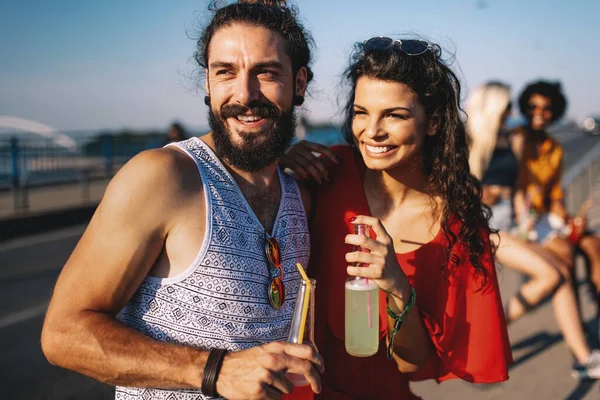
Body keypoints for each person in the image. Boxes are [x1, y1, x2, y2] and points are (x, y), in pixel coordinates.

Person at [40, 1, 324, 399]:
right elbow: (62, 334)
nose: (244, 94)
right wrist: (216, 370)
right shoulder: (163, 176)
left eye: (266, 72)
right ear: (207, 84)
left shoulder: (299, 194)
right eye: (225, 72)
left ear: (300, 83)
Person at [281, 37, 511, 399]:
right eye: (361, 112)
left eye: (394, 115)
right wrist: (277, 163)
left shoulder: (456, 226)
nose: (372, 131)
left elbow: (411, 363)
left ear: (433, 122)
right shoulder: (325, 174)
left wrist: (397, 286)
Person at [467, 81, 600, 379]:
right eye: (506, 108)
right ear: (490, 108)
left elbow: (521, 187)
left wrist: (525, 211)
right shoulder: (468, 141)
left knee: (562, 272)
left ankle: (582, 358)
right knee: (553, 273)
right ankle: (483, 333)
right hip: (482, 229)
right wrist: (481, 192)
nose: (512, 112)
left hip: (512, 226)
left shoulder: (509, 139)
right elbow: (451, 189)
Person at [512, 81, 600, 336]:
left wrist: (570, 220)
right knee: (566, 254)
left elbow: (555, 196)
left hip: (545, 217)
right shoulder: (516, 138)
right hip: (522, 221)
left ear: (556, 111)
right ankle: (577, 328)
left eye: (547, 107)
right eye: (533, 106)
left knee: (593, 243)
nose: (539, 112)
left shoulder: (554, 148)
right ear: (524, 107)